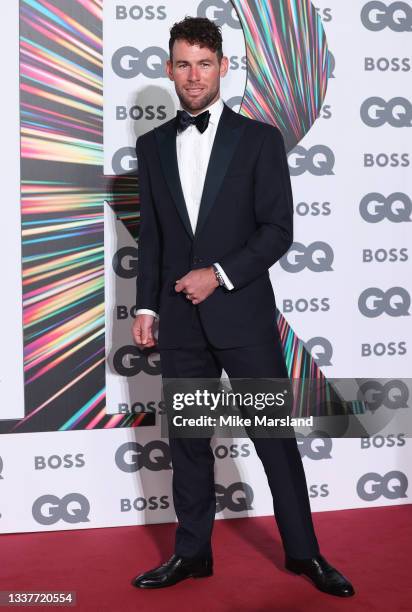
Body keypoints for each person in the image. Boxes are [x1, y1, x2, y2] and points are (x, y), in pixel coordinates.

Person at [131, 16, 354, 597]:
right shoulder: (152, 147)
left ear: (224, 67)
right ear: (169, 69)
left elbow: (278, 230)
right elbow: (153, 237)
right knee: (188, 444)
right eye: (183, 64)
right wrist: (148, 310)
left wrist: (219, 275)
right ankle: (192, 554)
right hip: (178, 321)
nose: (194, 75)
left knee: (274, 442)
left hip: (244, 319)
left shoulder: (259, 139)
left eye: (205, 63)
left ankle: (305, 554)